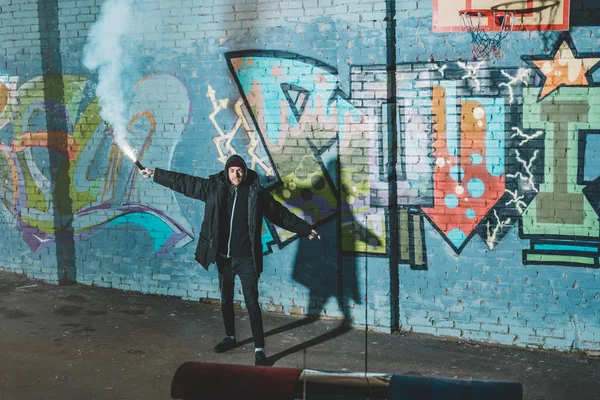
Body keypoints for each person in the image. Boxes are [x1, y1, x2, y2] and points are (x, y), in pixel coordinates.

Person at [142, 155, 320, 366]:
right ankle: (230, 337)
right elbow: (185, 182)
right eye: (232, 171)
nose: (236, 175)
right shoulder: (214, 188)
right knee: (226, 299)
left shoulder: (257, 194)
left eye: (239, 171)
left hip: (246, 259)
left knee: (252, 303)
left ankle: (259, 349)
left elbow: (280, 215)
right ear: (226, 172)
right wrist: (156, 174)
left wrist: (304, 228)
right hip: (223, 258)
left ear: (245, 172)